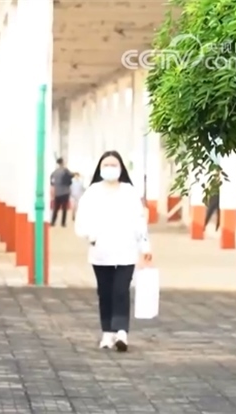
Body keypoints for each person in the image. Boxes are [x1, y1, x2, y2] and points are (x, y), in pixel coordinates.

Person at [74, 150, 152, 353]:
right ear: (100, 168)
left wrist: (145, 247)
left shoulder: (129, 192)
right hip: (100, 252)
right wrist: (91, 236)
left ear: (121, 168)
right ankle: (107, 332)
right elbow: (81, 220)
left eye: (113, 165)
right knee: (105, 292)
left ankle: (122, 332)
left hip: (126, 251)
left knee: (121, 290)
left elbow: (140, 221)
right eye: (106, 165)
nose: (110, 168)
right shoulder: (92, 192)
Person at [50, 158, 72, 227]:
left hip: (57, 192)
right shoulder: (66, 171)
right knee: (64, 208)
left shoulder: (54, 172)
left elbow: (51, 182)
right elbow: (71, 177)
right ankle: (63, 223)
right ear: (62, 163)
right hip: (65, 192)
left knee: (56, 208)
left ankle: (53, 222)